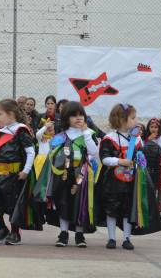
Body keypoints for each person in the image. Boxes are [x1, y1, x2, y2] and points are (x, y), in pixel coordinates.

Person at [97, 104, 161, 250]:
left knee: (128, 210)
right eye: (133, 118)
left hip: (131, 181)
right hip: (113, 182)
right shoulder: (109, 138)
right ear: (121, 120)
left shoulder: (137, 139)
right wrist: (120, 161)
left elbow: (141, 157)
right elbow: (104, 159)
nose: (136, 120)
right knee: (112, 209)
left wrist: (140, 159)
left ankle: (127, 238)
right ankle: (112, 238)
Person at [0, 99, 35, 246]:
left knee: (13, 204)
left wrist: (26, 171)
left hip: (13, 175)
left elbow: (31, 152)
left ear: (11, 114)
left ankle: (15, 232)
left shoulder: (20, 131)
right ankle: (2, 229)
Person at [51, 101, 98, 248]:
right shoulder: (61, 135)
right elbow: (53, 154)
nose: (78, 118)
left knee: (80, 204)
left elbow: (94, 152)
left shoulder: (88, 134)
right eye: (74, 115)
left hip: (81, 174)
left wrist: (86, 133)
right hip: (63, 173)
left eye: (81, 115)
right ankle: (63, 233)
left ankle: (79, 234)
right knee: (63, 202)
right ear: (66, 118)